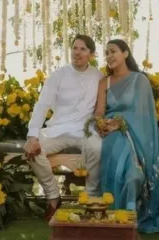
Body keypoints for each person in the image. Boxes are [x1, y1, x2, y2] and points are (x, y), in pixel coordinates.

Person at [24, 34, 103, 220]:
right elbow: (42, 105)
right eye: (75, 48)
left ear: (91, 54)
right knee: (31, 150)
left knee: (98, 148)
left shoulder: (98, 76)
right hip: (58, 129)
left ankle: (92, 201)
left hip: (86, 130)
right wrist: (32, 136)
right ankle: (53, 196)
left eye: (83, 49)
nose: (77, 52)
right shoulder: (58, 75)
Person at [94, 39, 159, 233]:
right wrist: (100, 123)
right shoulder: (104, 82)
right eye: (106, 53)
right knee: (118, 170)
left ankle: (130, 218)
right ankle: (116, 218)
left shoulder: (139, 80)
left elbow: (145, 115)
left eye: (113, 51)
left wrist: (121, 123)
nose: (109, 56)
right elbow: (99, 111)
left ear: (125, 53)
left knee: (134, 176)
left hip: (136, 133)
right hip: (112, 134)